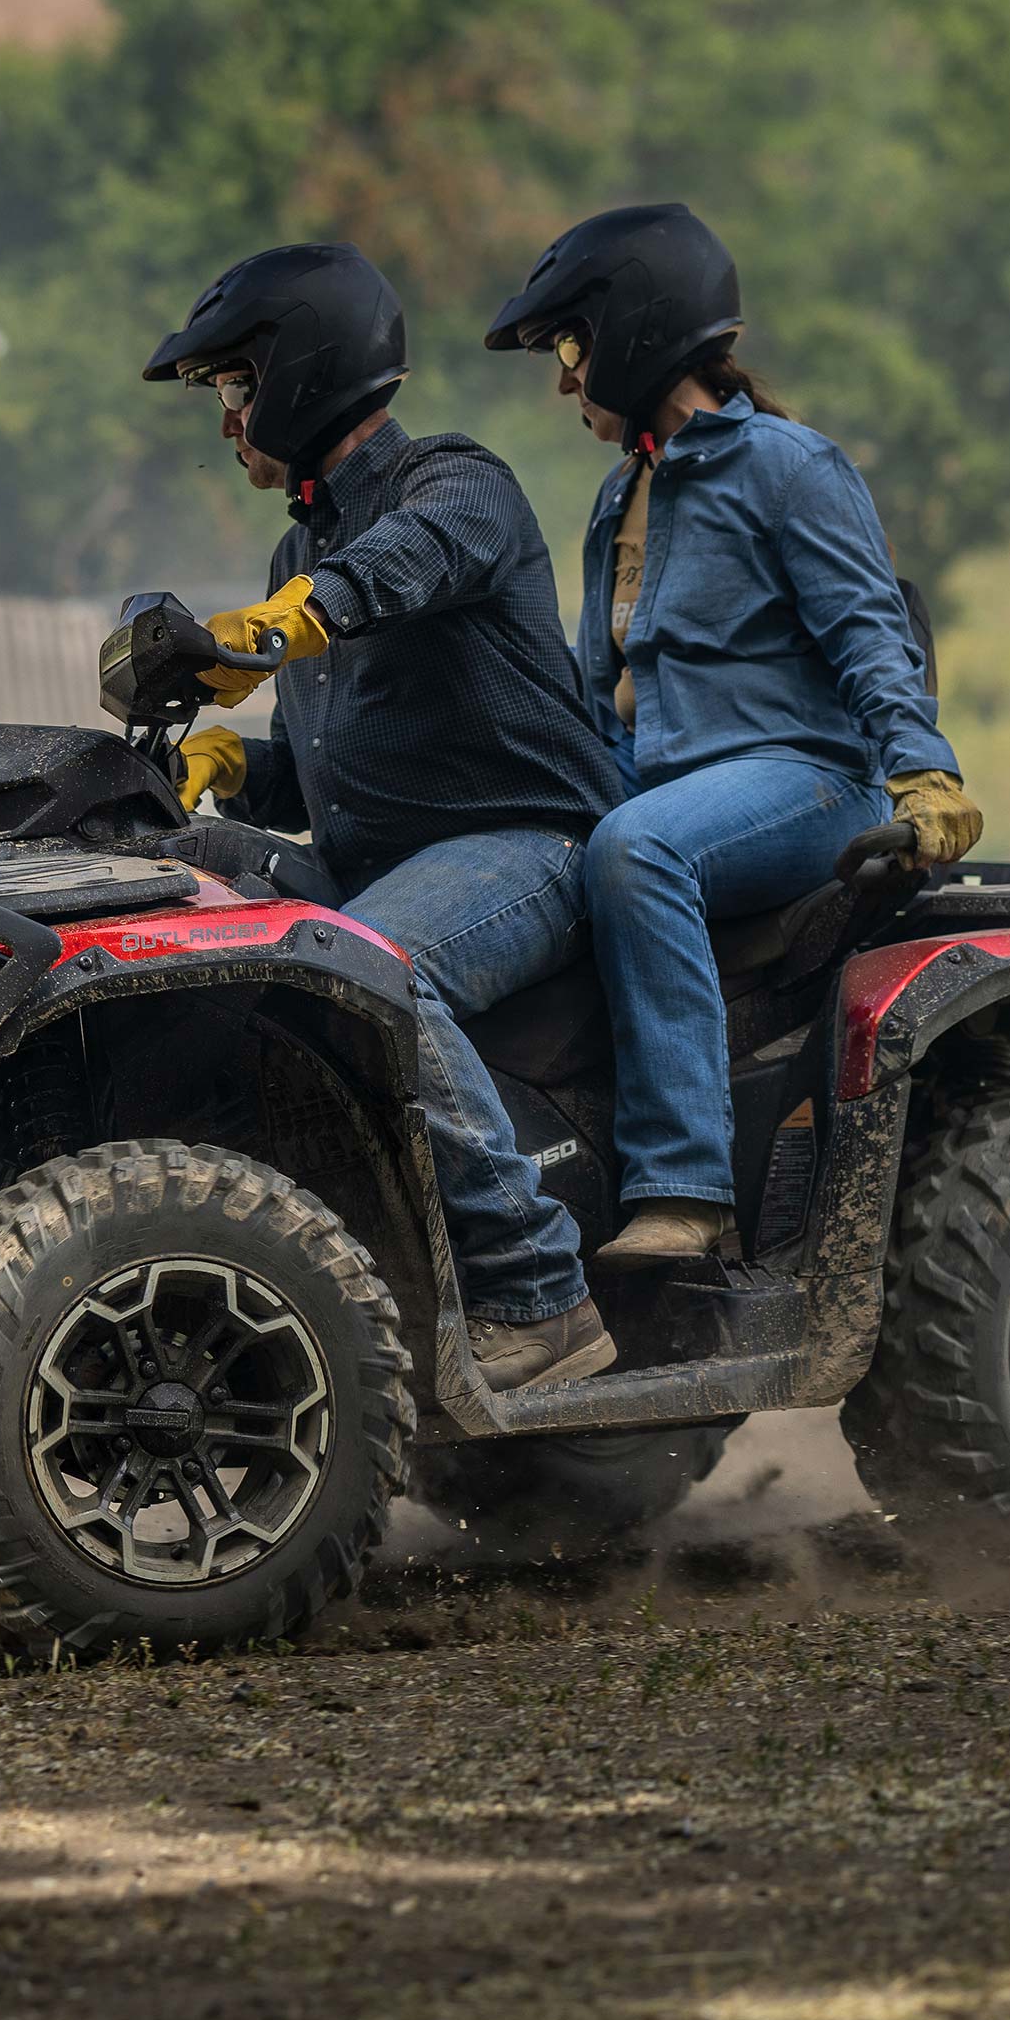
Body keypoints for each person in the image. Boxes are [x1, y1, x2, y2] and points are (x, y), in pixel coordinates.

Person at [139, 242, 629, 1389]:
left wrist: (278, 626)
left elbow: (404, 567)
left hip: (531, 847)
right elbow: (337, 775)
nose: (228, 422)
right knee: (179, 876)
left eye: (236, 389)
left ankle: (537, 1294)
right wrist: (230, 773)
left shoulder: (455, 486)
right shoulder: (298, 549)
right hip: (374, 860)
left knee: (377, 967)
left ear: (305, 373)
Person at [483, 203, 985, 1264]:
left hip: (806, 780)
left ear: (632, 331)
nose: (565, 379)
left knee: (637, 848)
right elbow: (591, 692)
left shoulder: (787, 467)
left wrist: (923, 774)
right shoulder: (616, 496)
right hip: (664, 789)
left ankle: (685, 1194)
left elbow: (867, 637)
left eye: (570, 346)